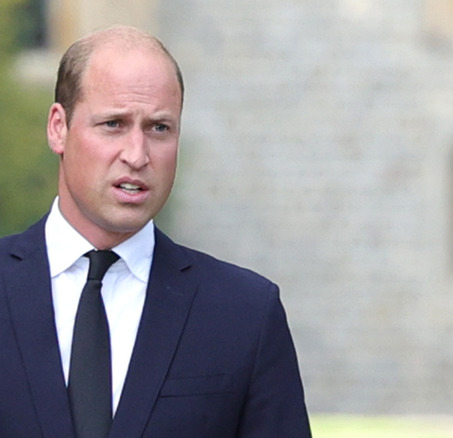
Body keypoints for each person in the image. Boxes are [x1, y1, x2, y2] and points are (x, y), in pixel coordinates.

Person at [0, 25, 311, 437]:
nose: (137, 154)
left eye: (159, 128)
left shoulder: (245, 313)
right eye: (113, 124)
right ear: (59, 127)